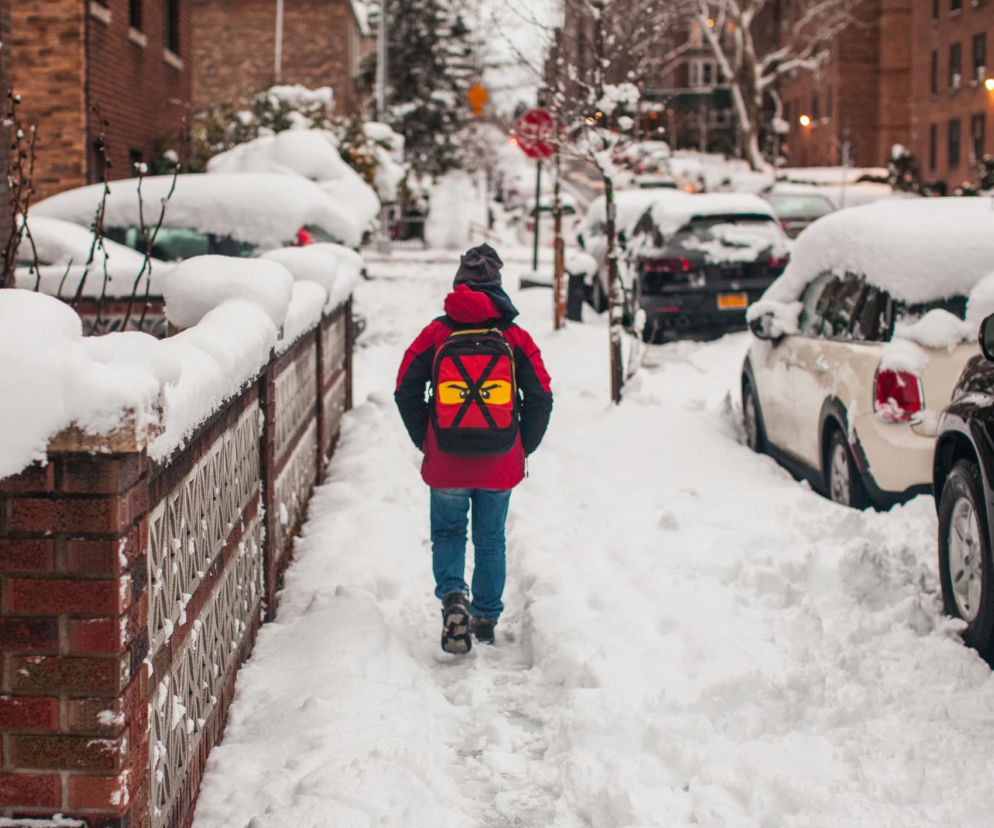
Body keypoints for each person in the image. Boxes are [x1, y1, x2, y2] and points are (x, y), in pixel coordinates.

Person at [395, 243, 553, 654]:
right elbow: (541, 396)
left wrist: (426, 438)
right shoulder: (514, 336)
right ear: (498, 286)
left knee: (448, 531)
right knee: (490, 538)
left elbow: (405, 389)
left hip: (447, 457)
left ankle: (452, 600)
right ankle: (484, 618)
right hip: (500, 458)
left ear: (458, 284)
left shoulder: (436, 333)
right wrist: (522, 447)